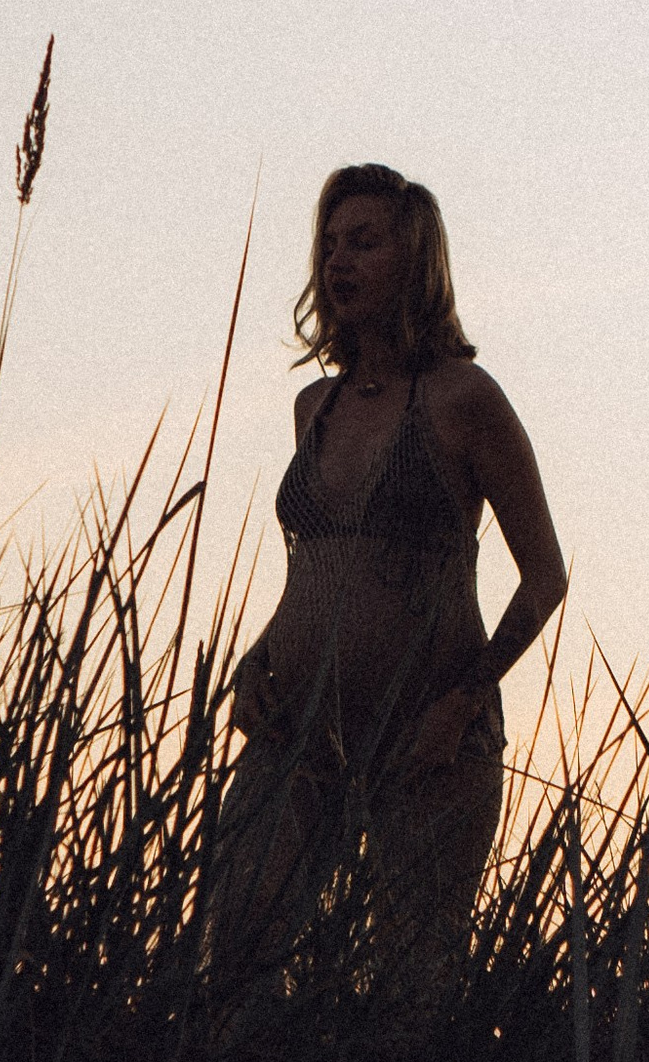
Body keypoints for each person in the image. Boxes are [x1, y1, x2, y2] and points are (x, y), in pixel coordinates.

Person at [210, 163, 568, 998]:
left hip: (427, 741)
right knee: (236, 943)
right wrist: (253, 663)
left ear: (415, 262)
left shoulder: (464, 399)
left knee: (412, 981)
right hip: (296, 731)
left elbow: (544, 574)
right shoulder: (317, 408)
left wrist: (462, 703)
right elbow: (322, 573)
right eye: (330, 244)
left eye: (364, 243)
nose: (339, 263)